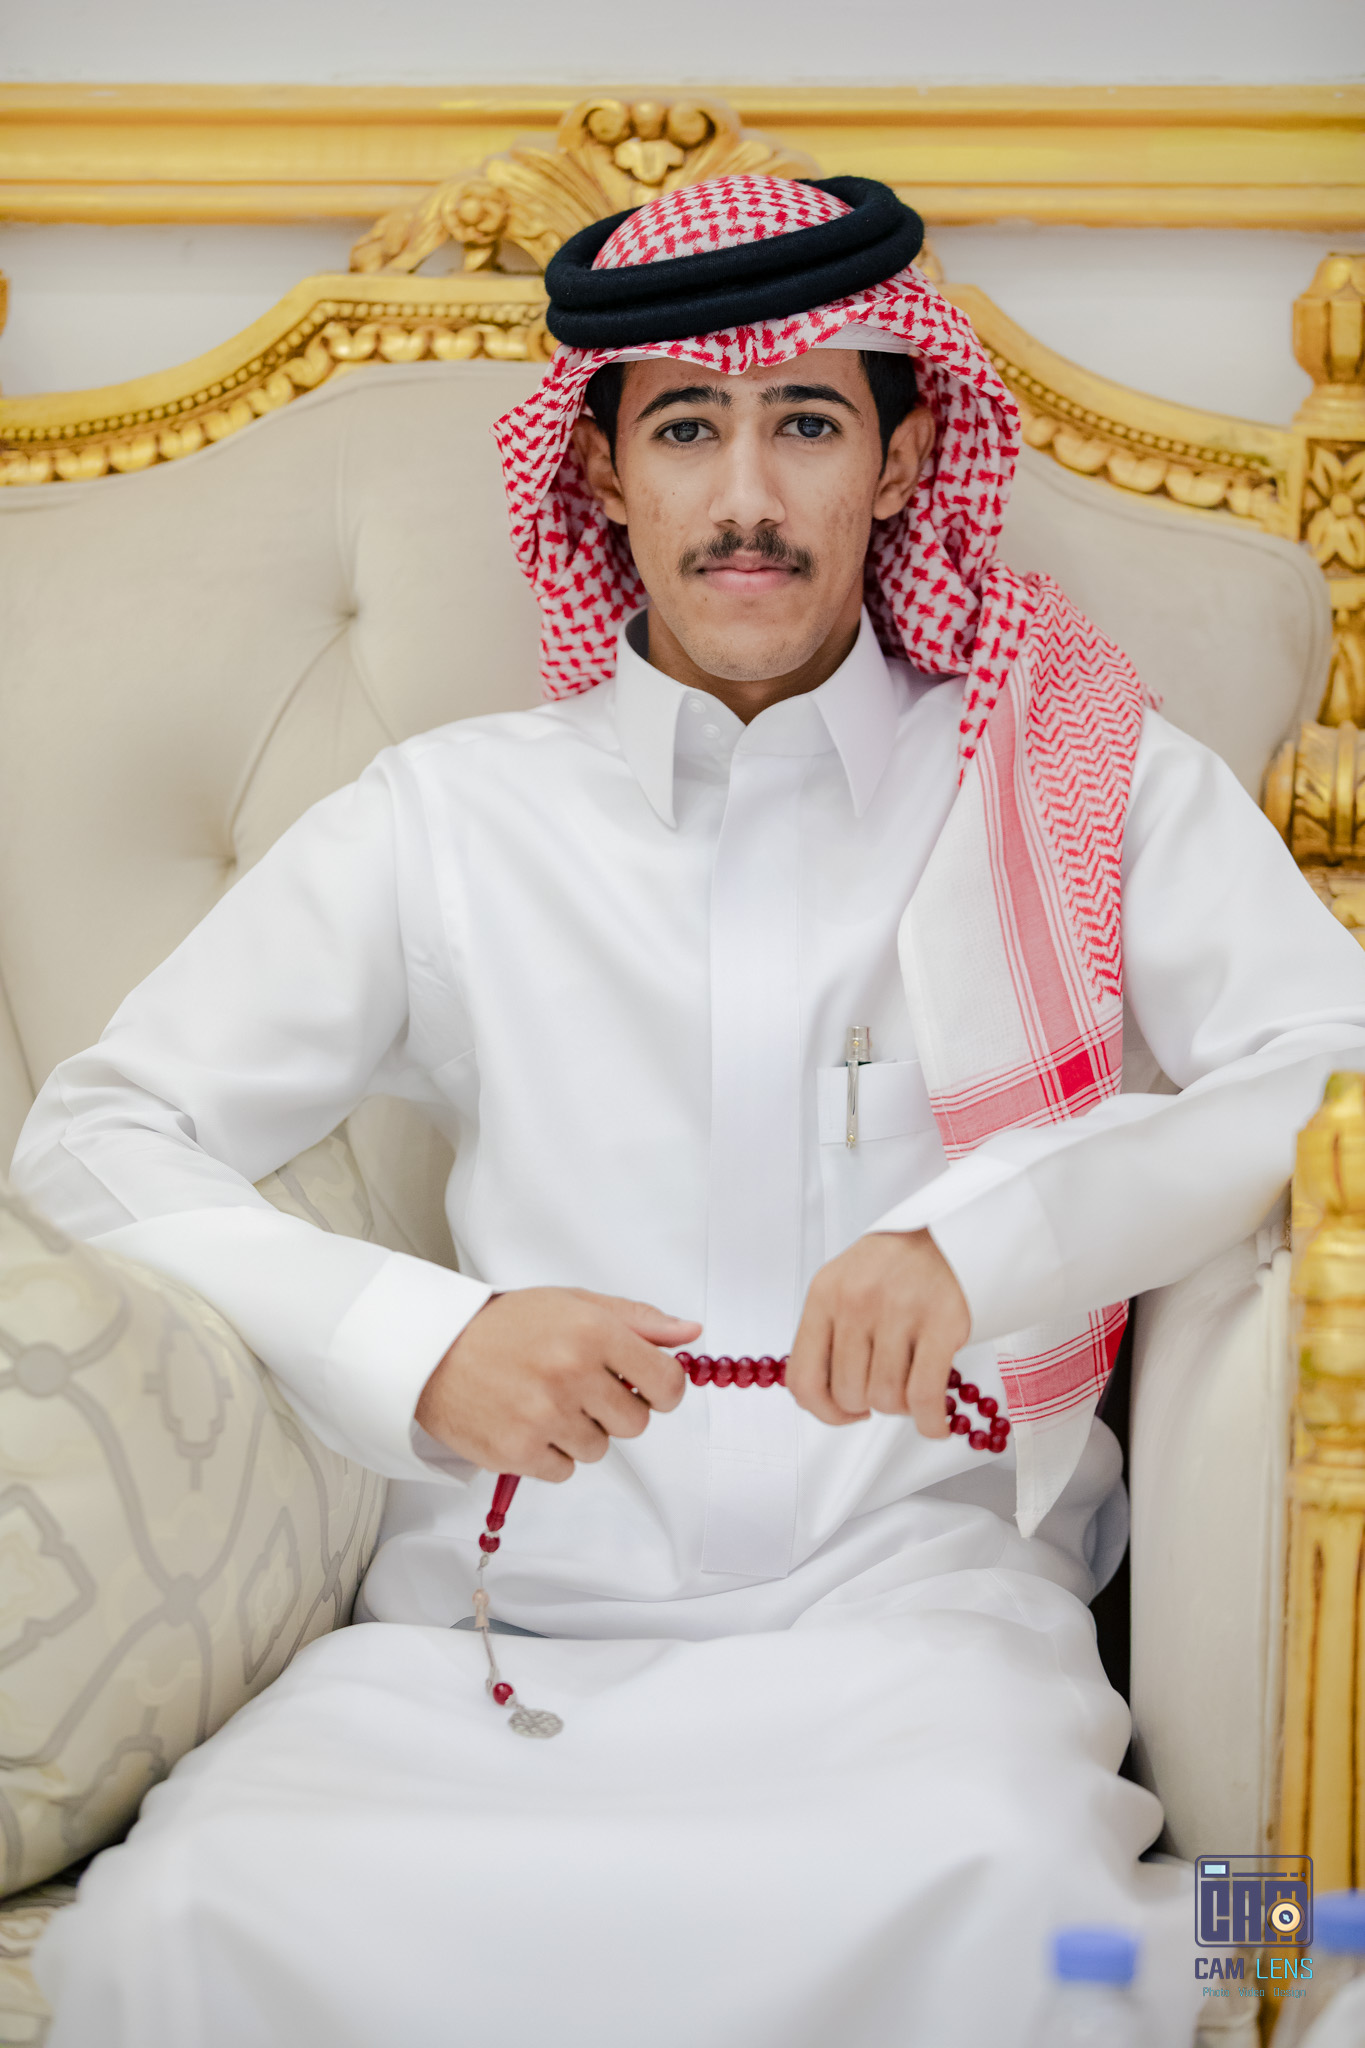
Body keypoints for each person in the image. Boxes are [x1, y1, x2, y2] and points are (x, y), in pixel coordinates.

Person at [12, 173, 1365, 2048]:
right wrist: (421, 1340)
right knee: (185, 1929)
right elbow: (94, 1139)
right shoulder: (449, 820)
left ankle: (1305, 1946)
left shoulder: (1069, 773)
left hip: (917, 1627)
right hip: (493, 1628)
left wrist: (987, 1246)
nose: (744, 497)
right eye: (683, 431)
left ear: (901, 461)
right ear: (598, 474)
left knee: (1036, 1909)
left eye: (804, 424)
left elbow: (1329, 1066)